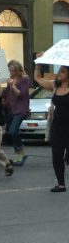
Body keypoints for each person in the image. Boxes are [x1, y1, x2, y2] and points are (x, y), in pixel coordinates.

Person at [33, 63, 69, 192]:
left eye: (63, 72)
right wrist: (37, 65)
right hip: (57, 126)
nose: (59, 73)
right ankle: (61, 184)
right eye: (60, 71)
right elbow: (38, 79)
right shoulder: (55, 85)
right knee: (57, 156)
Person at [3, 60, 30, 165]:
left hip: (21, 109)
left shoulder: (24, 79)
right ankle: (19, 154)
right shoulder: (10, 79)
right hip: (11, 109)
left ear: (18, 70)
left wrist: (13, 86)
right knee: (10, 132)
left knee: (13, 131)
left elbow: (21, 94)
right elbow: (7, 94)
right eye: (9, 71)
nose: (11, 73)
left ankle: (21, 153)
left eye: (13, 71)